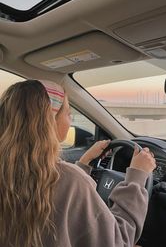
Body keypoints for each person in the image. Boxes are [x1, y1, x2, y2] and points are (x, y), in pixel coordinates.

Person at [0, 79, 156, 247]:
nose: (70, 120)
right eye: (68, 114)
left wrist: (83, 164)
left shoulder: (8, 172)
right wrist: (137, 178)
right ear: (49, 122)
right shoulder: (70, 180)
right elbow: (119, 241)